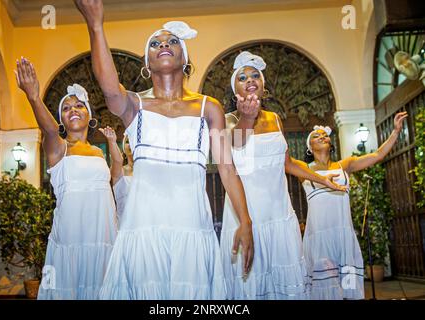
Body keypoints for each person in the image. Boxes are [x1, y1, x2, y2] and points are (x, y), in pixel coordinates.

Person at [75, 0, 254, 299]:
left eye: (172, 41)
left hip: (192, 228)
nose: (164, 44)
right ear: (147, 63)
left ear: (185, 57)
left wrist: (245, 220)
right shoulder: (135, 106)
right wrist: (96, 25)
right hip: (142, 230)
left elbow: (227, 168)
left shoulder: (209, 108)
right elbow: (109, 88)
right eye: (155, 43)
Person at [220, 51, 347, 300]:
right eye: (242, 77)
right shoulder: (226, 120)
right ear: (233, 88)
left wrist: (321, 178)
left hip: (279, 213)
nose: (250, 80)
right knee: (250, 286)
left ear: (264, 85)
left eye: (255, 75)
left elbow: (286, 163)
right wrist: (247, 117)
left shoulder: (275, 119)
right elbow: (234, 147)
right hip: (245, 214)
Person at [15, 57, 118, 299]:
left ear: (89, 114)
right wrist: (33, 96)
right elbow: (48, 130)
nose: (73, 110)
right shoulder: (58, 148)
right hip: (70, 238)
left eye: (79, 105)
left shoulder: (98, 152)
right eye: (66, 107)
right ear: (61, 119)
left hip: (103, 237)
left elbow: (114, 184)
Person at [299, 111, 407, 299]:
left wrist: (395, 132)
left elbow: (378, 154)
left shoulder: (344, 165)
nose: (322, 136)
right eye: (316, 136)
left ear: (331, 143)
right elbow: (282, 163)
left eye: (325, 135)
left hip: (343, 235)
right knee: (323, 290)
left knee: (347, 288)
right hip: (319, 238)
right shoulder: (303, 170)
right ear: (309, 148)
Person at [99, 126, 131, 226]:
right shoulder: (120, 172)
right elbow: (118, 161)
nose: (131, 144)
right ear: (123, 147)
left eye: (135, 140)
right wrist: (112, 141)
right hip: (125, 226)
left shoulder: (149, 172)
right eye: (127, 141)